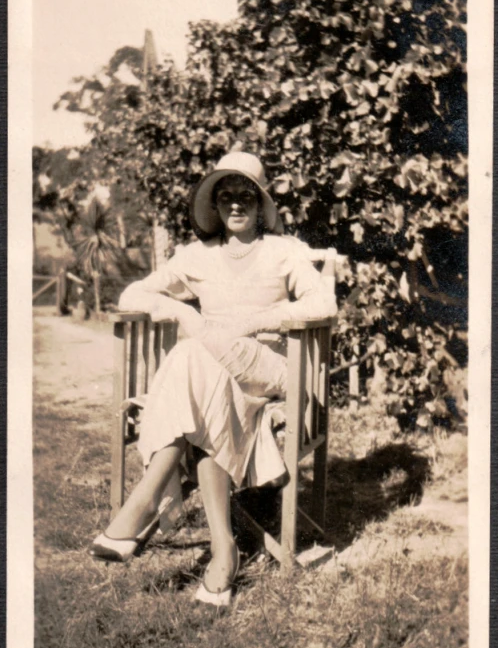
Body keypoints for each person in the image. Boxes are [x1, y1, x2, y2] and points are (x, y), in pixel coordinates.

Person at [90, 152, 337, 605]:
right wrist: (181, 307)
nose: (236, 204)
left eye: (247, 195)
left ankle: (142, 505)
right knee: (204, 377)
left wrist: (255, 321)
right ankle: (225, 550)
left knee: (190, 351)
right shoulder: (195, 257)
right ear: (215, 204)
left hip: (272, 369)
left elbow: (323, 306)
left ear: (262, 204)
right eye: (226, 195)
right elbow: (132, 293)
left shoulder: (284, 251)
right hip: (218, 378)